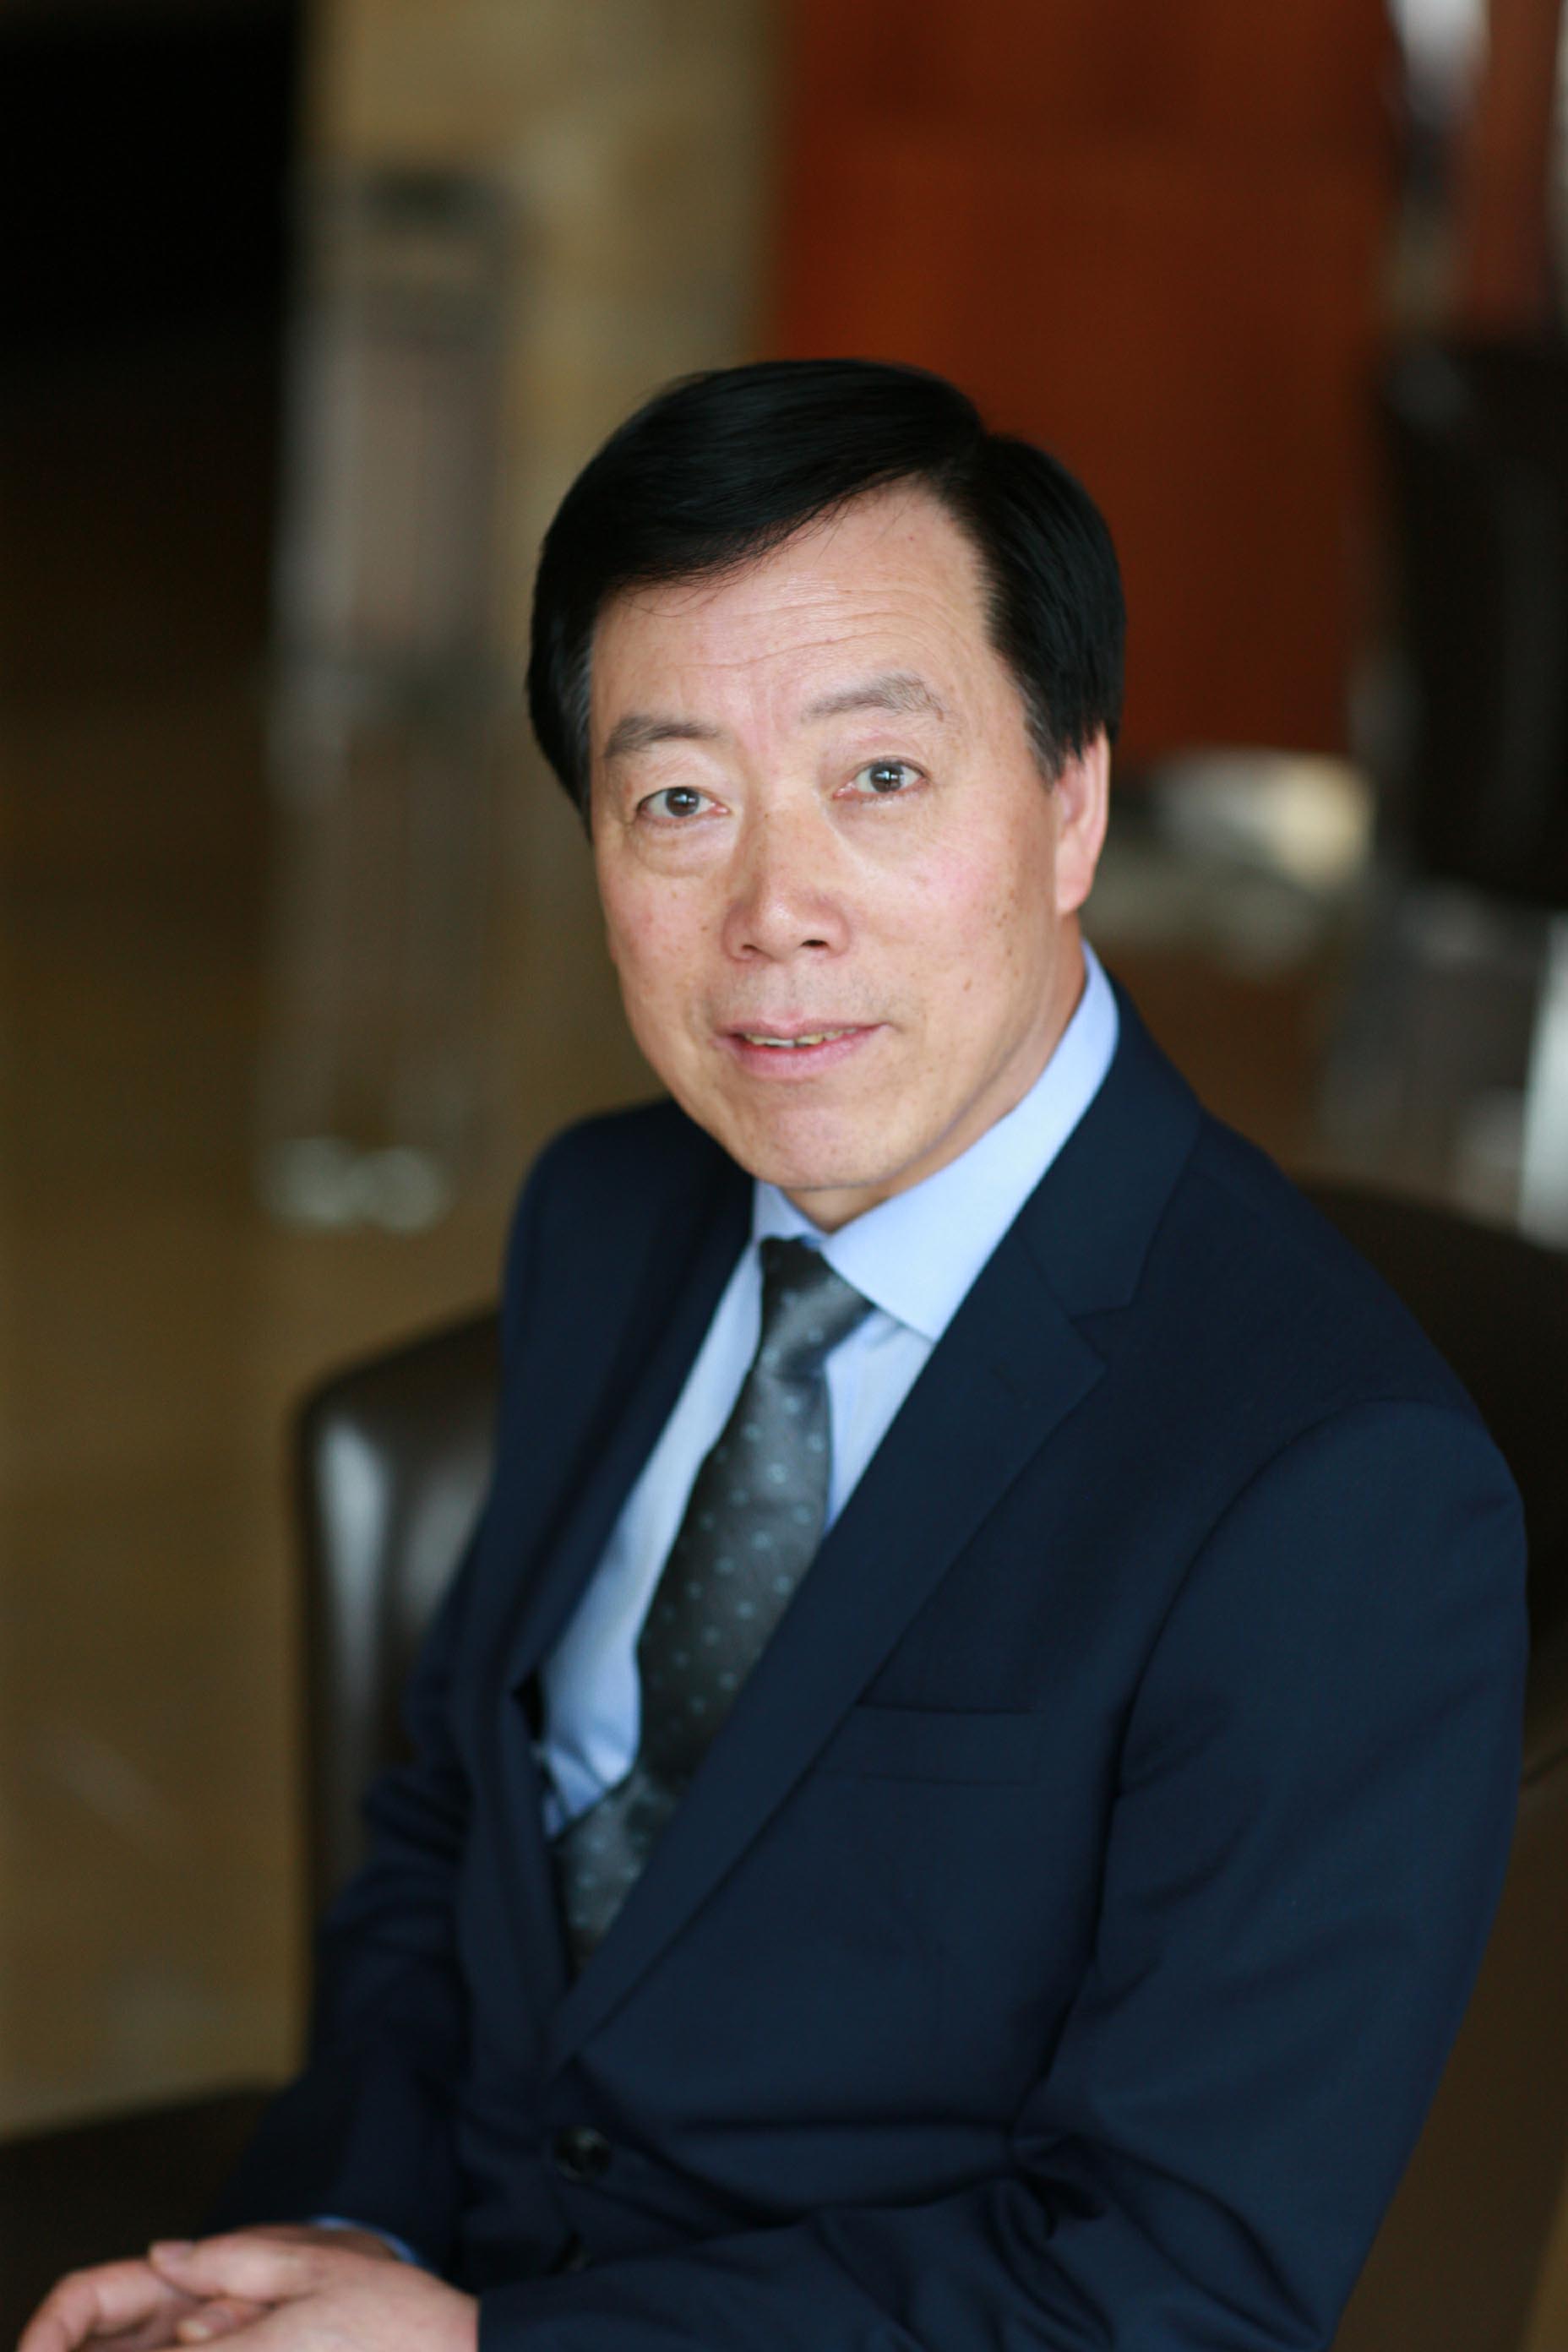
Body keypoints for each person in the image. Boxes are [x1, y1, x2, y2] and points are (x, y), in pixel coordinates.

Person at [22, 359, 1526, 2352]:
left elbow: (1169, 2290)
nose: (773, 910)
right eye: (678, 802)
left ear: (1070, 802)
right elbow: (451, 1828)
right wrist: (343, 2240)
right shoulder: (610, 1214)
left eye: (878, 777)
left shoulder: (1335, 1483)